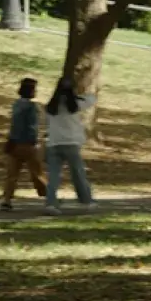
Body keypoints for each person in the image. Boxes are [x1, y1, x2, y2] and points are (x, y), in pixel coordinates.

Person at [43, 76, 96, 215]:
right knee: (78, 173)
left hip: (54, 143)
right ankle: (86, 201)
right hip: (71, 143)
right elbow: (91, 99)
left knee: (53, 175)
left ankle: (50, 203)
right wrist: (82, 91)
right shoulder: (75, 104)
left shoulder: (51, 106)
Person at [0, 77, 46, 211]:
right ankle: (49, 197)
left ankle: (6, 199)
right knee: (37, 173)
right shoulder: (32, 107)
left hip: (13, 143)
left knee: (12, 174)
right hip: (28, 144)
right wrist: (35, 141)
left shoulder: (16, 105)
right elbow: (32, 126)